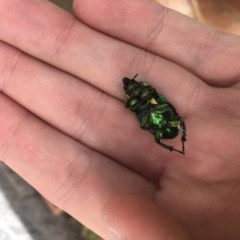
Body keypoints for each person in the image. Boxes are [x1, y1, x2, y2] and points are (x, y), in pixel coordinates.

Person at [0, 0, 240, 239]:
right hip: (159, 117)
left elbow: (151, 100)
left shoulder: (144, 96)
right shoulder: (143, 97)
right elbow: (148, 101)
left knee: (160, 121)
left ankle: (172, 138)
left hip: (160, 119)